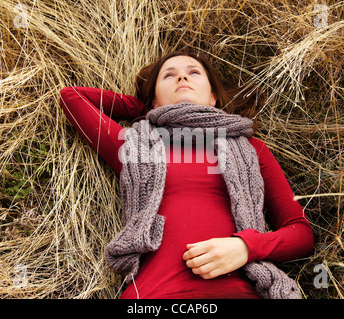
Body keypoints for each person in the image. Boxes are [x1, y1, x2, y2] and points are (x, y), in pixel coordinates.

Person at [59, 50, 314, 299]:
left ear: (213, 97)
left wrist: (246, 247)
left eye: (194, 72)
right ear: (155, 100)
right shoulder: (135, 146)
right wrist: (146, 107)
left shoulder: (251, 149)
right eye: (169, 76)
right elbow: (72, 97)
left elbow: (301, 234)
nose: (182, 78)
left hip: (240, 291)